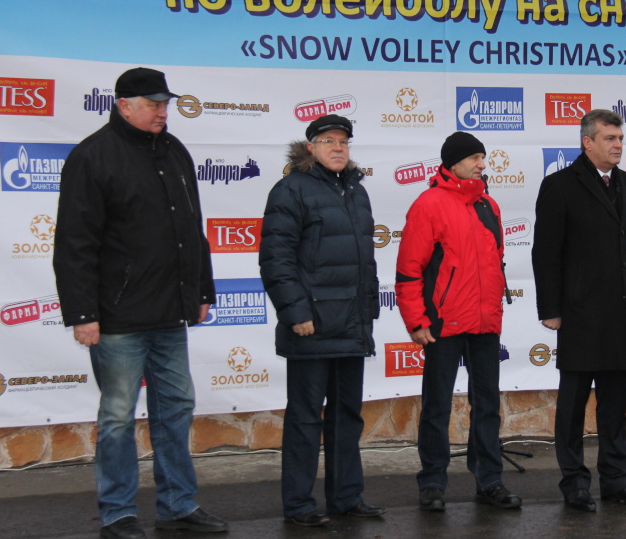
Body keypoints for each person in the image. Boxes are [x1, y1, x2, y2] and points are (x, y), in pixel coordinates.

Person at [53, 67, 227, 539]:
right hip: (117, 319)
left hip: (170, 312)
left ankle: (178, 505)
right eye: (152, 104)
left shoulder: (174, 150)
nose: (161, 112)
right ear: (124, 105)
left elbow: (192, 227)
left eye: (164, 104)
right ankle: (117, 512)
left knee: (177, 408)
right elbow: (74, 243)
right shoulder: (92, 156)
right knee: (117, 416)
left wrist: (202, 291)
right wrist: (83, 314)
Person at [259, 114, 384, 527]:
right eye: (328, 141)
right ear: (310, 147)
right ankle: (298, 505)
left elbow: (364, 260)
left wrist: (367, 311)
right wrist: (296, 312)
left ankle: (346, 497)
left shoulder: (357, 191)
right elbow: (276, 258)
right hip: (311, 325)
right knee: (305, 418)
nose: (338, 148)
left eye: (343, 142)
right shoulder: (291, 189)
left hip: (350, 324)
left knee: (347, 415)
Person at [531, 108, 626, 513]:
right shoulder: (560, 185)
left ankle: (616, 480)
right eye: (609, 139)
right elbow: (545, 253)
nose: (618, 145)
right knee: (572, 405)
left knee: (615, 405)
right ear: (588, 143)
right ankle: (574, 483)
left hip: (623, 313)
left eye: (620, 139)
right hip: (581, 313)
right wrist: (551, 309)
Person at [395, 131, 522, 512]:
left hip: (485, 320)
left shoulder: (489, 204)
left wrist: (494, 308)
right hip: (443, 322)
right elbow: (409, 269)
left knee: (487, 405)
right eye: (474, 158)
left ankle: (490, 481)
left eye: (483, 158)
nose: (482, 164)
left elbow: (494, 261)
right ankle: (432, 483)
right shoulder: (428, 204)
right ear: (454, 163)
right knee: (437, 406)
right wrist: (416, 320)